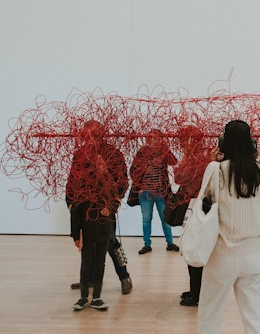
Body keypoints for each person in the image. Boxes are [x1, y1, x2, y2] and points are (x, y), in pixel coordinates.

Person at [197, 120, 260, 334]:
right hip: (254, 255)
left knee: (210, 314)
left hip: (222, 253)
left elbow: (205, 199)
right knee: (255, 317)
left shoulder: (216, 170)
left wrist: (213, 162)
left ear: (224, 142)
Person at [66, 120, 130, 311]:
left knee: (110, 242)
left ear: (102, 134)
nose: (91, 139)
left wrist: (112, 205)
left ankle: (124, 276)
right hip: (86, 210)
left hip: (105, 210)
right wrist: (70, 203)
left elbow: (122, 180)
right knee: (88, 249)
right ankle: (89, 283)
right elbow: (73, 180)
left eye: (94, 135)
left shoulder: (112, 154)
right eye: (87, 135)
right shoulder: (80, 154)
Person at [173, 125, 212, 306]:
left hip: (197, 210)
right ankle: (195, 290)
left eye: (183, 140)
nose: (181, 144)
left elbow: (180, 178)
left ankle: (197, 295)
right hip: (194, 209)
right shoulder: (200, 157)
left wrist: (184, 164)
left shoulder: (198, 159)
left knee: (194, 249)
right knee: (191, 249)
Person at [130, 129, 180, 254]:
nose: (156, 141)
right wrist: (139, 186)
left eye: (158, 139)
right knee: (146, 218)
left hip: (161, 192)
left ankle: (170, 243)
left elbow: (174, 161)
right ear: (148, 140)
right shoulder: (142, 152)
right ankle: (147, 244)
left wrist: (165, 150)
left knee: (165, 218)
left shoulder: (163, 152)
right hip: (146, 192)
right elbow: (133, 170)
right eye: (153, 139)